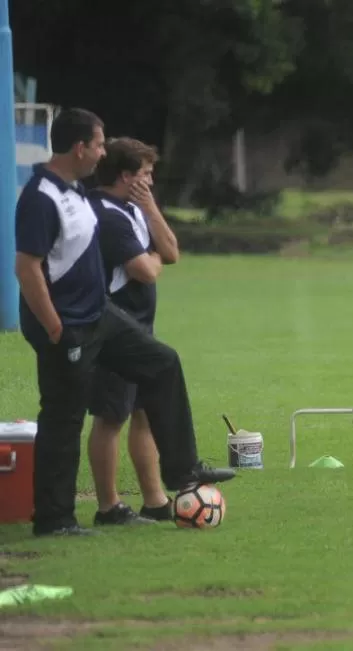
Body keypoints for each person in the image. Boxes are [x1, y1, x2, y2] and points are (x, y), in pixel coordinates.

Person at [14, 108, 235, 537]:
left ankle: (183, 470)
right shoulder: (40, 196)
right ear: (80, 148)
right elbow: (27, 268)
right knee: (65, 418)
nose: (102, 152)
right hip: (68, 325)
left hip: (100, 315)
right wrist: (54, 327)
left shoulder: (74, 192)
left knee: (162, 363)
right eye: (98, 144)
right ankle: (55, 519)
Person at [86, 137, 181, 525]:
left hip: (140, 328)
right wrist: (153, 259)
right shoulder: (105, 214)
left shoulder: (134, 209)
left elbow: (171, 253)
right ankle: (109, 507)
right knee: (111, 417)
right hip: (113, 330)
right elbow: (145, 270)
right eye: (145, 175)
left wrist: (150, 208)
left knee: (143, 413)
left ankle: (155, 501)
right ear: (126, 176)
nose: (151, 181)